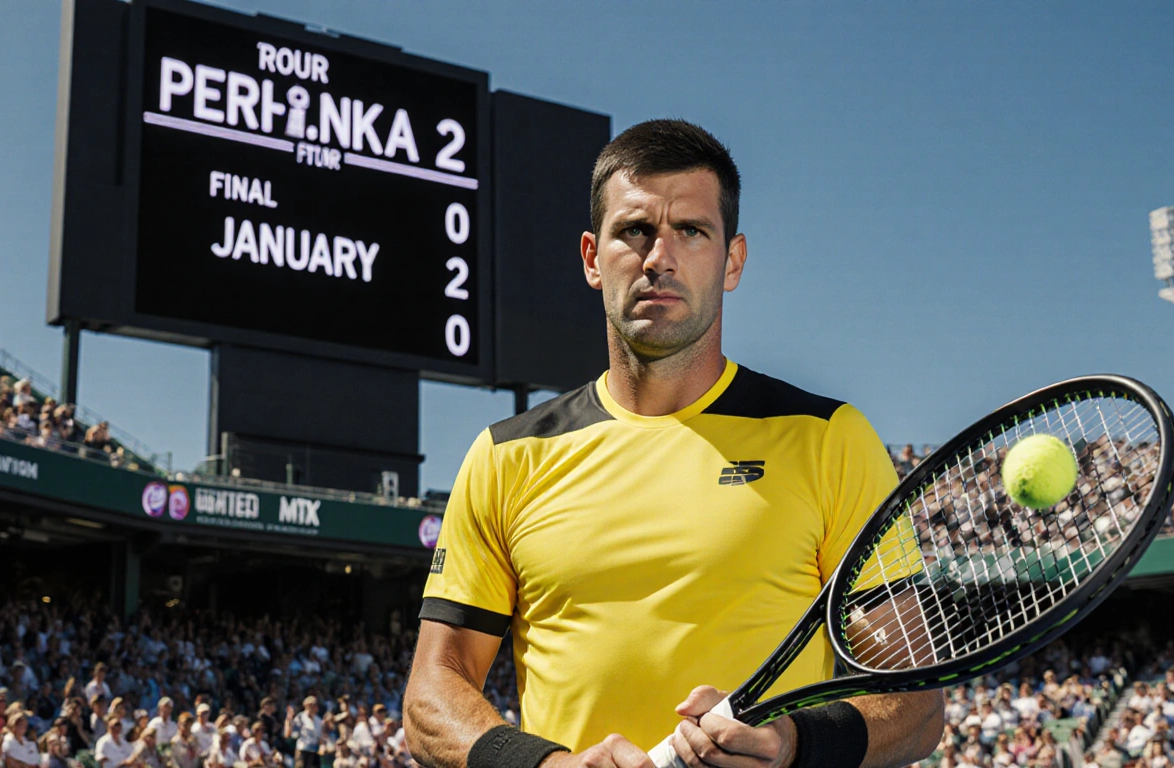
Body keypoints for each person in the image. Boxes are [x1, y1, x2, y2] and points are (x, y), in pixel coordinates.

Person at [403, 119, 945, 768]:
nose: (659, 255)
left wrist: (793, 742)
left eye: (691, 230)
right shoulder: (504, 457)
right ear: (591, 259)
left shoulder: (830, 441)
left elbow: (915, 704)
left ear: (732, 260)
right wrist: (547, 767)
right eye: (634, 230)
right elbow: (432, 695)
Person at [285, 697, 321, 768]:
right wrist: (289, 721)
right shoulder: (300, 717)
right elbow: (292, 731)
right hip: (303, 749)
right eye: (309, 705)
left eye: (313, 705)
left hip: (315, 750)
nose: (311, 708)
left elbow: (320, 735)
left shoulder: (318, 720)